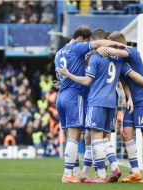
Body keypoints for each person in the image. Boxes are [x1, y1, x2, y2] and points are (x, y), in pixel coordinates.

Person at [56, 43, 143, 183]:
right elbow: (129, 78)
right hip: (113, 102)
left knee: (95, 137)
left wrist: (68, 75)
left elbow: (87, 81)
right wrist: (130, 97)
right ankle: (124, 169)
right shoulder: (119, 61)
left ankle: (101, 175)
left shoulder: (101, 56)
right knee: (116, 135)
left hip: (100, 102)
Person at [54, 25, 128, 183]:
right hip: (76, 95)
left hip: (61, 95)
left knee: (74, 138)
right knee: (78, 138)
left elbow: (60, 77)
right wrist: (120, 46)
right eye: (86, 42)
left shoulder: (59, 52)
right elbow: (96, 44)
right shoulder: (78, 48)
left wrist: (64, 80)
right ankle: (69, 174)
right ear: (81, 39)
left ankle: (76, 171)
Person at [99, 31, 143, 183]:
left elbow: (135, 76)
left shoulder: (131, 52)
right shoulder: (119, 62)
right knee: (126, 133)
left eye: (111, 44)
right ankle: (136, 171)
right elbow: (124, 80)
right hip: (133, 102)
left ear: (118, 44)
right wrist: (129, 98)